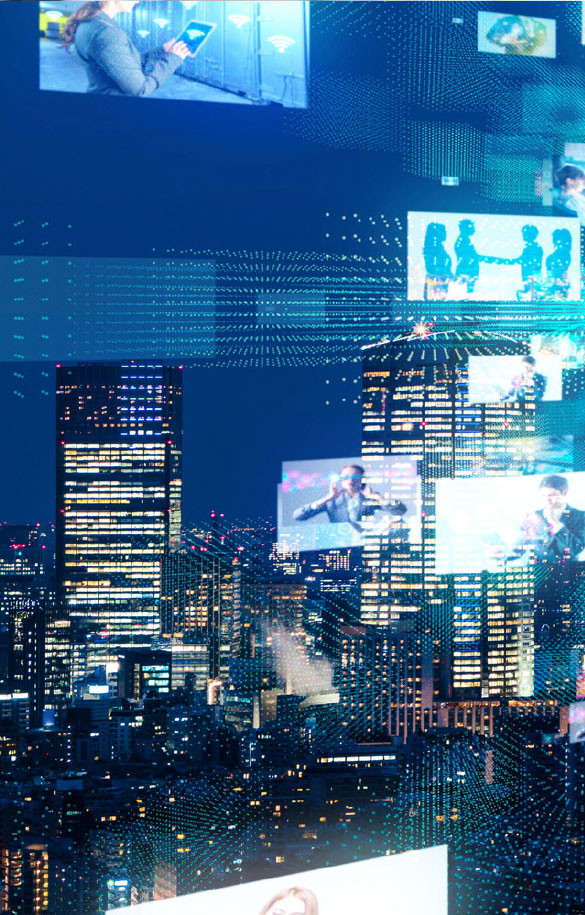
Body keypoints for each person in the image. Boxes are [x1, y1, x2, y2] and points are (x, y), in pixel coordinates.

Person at [61, 1, 192, 97]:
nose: (138, 1)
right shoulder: (106, 32)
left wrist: (162, 50)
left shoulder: (91, 23)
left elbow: (129, 64)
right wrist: (174, 58)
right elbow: (140, 88)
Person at [293, 464, 407, 527]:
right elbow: (298, 516)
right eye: (346, 476)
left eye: (356, 476)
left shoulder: (370, 498)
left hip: (366, 543)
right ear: (341, 480)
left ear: (362, 480)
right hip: (340, 544)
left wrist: (378, 497)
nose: (351, 480)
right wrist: (327, 499)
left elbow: (400, 510)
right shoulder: (332, 501)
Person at [511, 475, 585, 563]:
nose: (547, 499)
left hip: (566, 573)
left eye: (552, 495)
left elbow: (576, 548)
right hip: (537, 573)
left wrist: (555, 522)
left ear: (564, 493)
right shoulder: (533, 515)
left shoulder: (581, 516)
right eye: (543, 495)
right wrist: (502, 555)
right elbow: (519, 549)